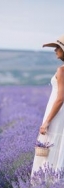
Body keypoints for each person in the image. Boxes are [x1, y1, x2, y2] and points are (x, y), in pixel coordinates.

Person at [31, 34, 64, 179]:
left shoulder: (62, 70)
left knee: (51, 147)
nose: (55, 50)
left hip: (57, 114)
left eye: (57, 47)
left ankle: (49, 187)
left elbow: (60, 98)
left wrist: (46, 122)